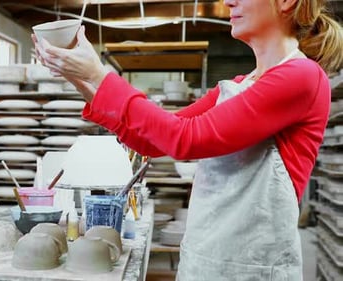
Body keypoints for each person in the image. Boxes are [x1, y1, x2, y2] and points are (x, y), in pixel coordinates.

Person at [33, 0, 343, 280]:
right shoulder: (237, 86)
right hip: (205, 259)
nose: (228, 2)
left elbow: (186, 140)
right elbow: (152, 141)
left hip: (254, 268)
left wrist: (100, 75)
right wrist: (80, 77)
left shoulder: (301, 76)